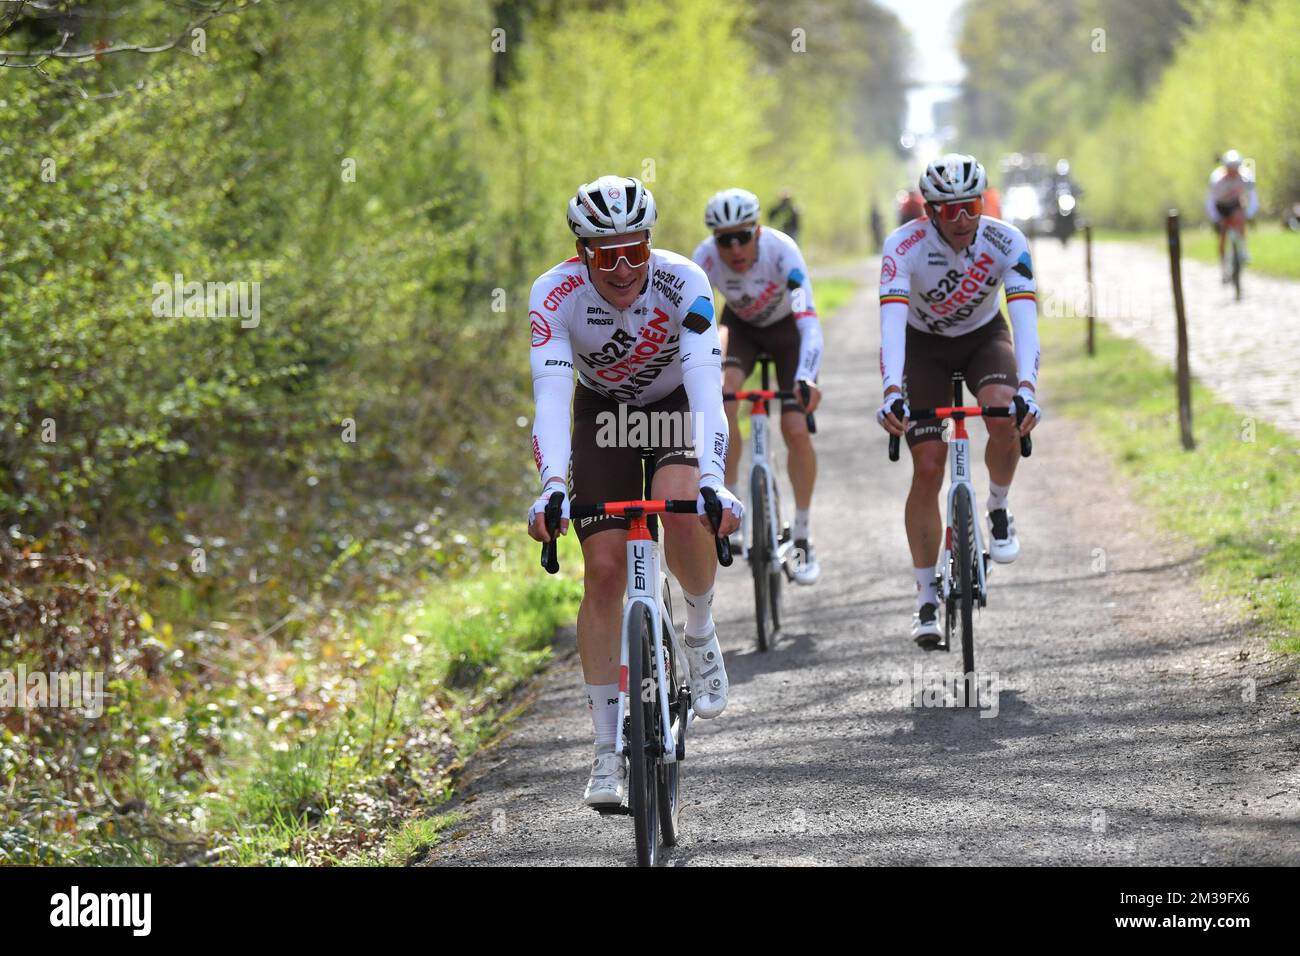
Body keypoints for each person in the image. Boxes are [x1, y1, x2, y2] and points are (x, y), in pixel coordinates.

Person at [526, 175, 743, 808]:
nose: (623, 268)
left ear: (650, 244)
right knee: (601, 569)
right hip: (603, 416)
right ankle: (603, 753)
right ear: (581, 252)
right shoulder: (554, 295)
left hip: (675, 407)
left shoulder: (685, 283)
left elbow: (706, 385)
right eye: (606, 254)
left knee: (684, 515)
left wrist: (713, 480)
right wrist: (552, 488)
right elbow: (551, 396)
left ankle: (699, 630)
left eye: (635, 251)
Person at [874, 154, 1041, 645]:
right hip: (922, 345)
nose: (963, 219)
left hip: (983, 337)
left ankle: (998, 505)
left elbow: (1026, 321)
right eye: (949, 211)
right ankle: (925, 596)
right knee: (928, 463)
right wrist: (889, 391)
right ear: (929, 212)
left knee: (1005, 413)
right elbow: (890, 326)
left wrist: (1028, 389)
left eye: (971, 206)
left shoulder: (1006, 241)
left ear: (984, 201)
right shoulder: (902, 246)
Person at [692, 188, 824, 584]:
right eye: (724, 239)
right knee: (723, 392)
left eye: (742, 236)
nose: (734, 248)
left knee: (796, 428)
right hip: (742, 330)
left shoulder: (782, 251)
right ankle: (727, 493)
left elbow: (810, 322)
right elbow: (697, 326)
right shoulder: (704, 259)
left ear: (758, 231)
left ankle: (802, 532)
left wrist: (805, 375)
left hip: (788, 335)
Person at [1204, 149, 1259, 283]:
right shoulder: (1216, 180)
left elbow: (1253, 197)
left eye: (1236, 168)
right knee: (1222, 235)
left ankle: (1243, 251)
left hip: (1235, 204)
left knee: (1239, 218)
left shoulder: (1246, 177)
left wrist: (1250, 214)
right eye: (1230, 168)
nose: (1233, 171)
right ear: (1225, 168)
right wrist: (1216, 218)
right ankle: (1224, 268)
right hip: (1220, 206)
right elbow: (1209, 201)